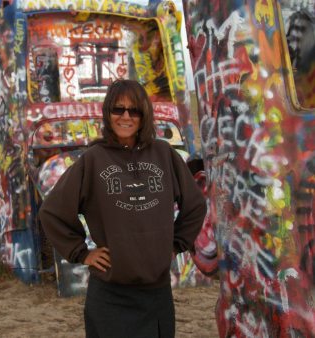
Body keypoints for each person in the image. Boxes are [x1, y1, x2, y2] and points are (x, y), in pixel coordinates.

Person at [39, 79, 207, 338]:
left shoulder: (163, 154)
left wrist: (176, 244)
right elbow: (52, 212)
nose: (126, 116)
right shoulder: (93, 160)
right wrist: (81, 253)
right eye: (118, 109)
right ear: (108, 113)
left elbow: (195, 205)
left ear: (144, 115)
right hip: (110, 295)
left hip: (156, 295)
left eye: (134, 110)